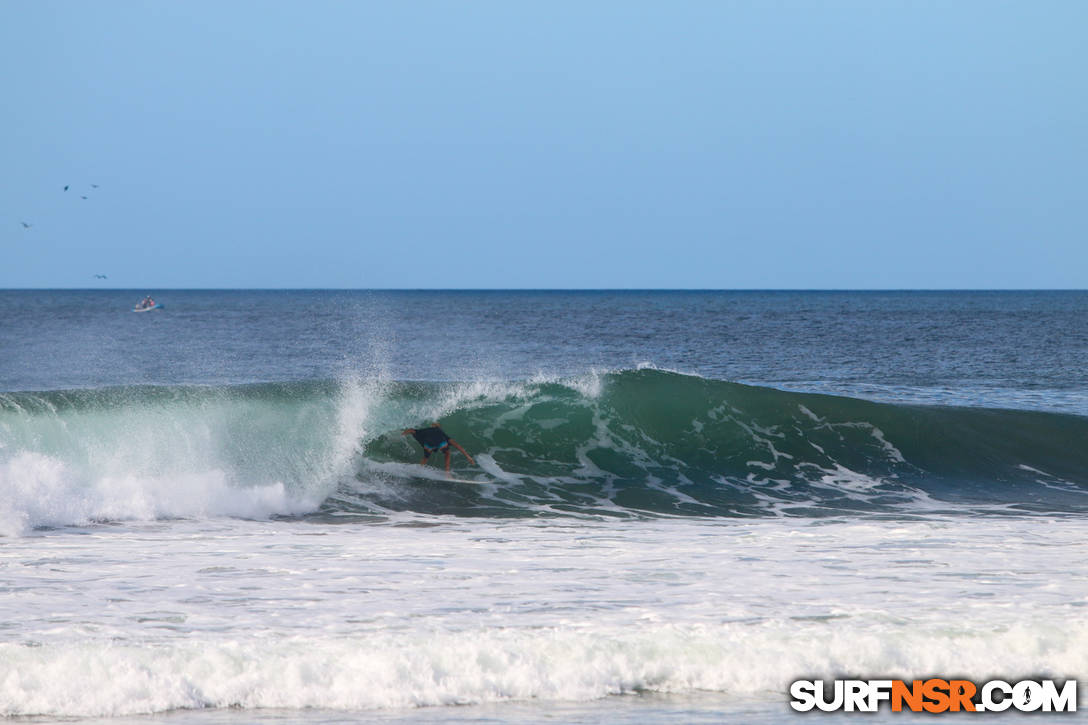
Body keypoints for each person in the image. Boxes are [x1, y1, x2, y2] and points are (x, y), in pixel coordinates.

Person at [402, 423, 475, 472]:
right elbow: (458, 446)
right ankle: (447, 472)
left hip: (428, 444)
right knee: (447, 453)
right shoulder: (441, 432)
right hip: (440, 442)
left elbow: (411, 430)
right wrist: (468, 457)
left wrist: (401, 435)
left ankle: (419, 470)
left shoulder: (425, 431)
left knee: (426, 457)